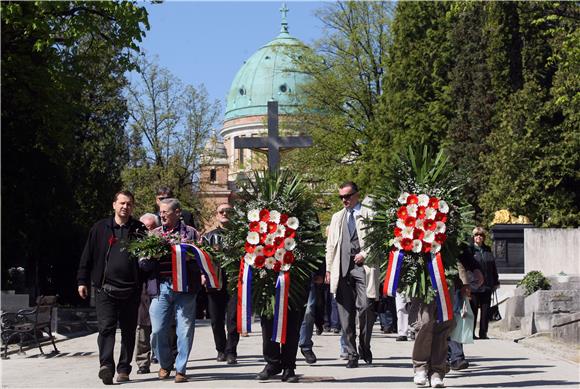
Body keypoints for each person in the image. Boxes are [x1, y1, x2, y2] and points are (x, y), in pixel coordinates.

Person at [77, 190, 147, 385]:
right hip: (105, 289)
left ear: (133, 207)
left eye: (129, 204)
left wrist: (146, 275)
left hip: (131, 290)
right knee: (106, 328)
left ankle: (124, 369)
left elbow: (148, 259)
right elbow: (87, 256)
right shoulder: (100, 228)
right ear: (114, 205)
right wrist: (82, 281)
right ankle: (106, 365)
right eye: (122, 203)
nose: (125, 207)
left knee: (128, 330)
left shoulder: (139, 230)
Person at [141, 198, 201, 383]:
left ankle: (181, 369)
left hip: (186, 289)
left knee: (184, 330)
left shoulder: (191, 233)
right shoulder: (154, 235)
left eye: (166, 211)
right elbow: (142, 264)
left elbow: (204, 259)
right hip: (161, 288)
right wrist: (152, 258)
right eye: (161, 211)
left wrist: (191, 258)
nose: (162, 215)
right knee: (157, 330)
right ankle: (165, 364)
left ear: (177, 212)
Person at [325, 181, 378, 368]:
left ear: (356, 195)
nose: (344, 200)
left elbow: (377, 240)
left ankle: (365, 345)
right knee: (345, 315)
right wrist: (329, 270)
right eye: (341, 197)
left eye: (347, 196)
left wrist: (365, 254)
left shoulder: (369, 213)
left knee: (365, 308)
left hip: (362, 268)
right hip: (341, 269)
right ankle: (351, 353)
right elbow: (330, 246)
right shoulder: (337, 217)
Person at [202, 203, 240, 365]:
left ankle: (231, 351)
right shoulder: (208, 237)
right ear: (217, 215)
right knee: (216, 319)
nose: (225, 213)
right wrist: (202, 275)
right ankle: (221, 349)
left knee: (232, 319)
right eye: (221, 211)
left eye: (228, 211)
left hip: (235, 281)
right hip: (214, 281)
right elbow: (201, 259)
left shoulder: (241, 236)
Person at [134, 213, 160, 375]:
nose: (147, 231)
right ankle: (143, 361)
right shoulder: (134, 245)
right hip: (142, 290)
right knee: (142, 326)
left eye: (150, 228)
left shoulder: (163, 243)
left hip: (159, 287)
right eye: (144, 228)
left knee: (162, 327)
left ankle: (164, 356)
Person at [468, 227, 500, 340]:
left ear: (483, 237)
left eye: (481, 235)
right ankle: (471, 333)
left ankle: (483, 332)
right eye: (476, 235)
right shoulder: (470, 250)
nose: (478, 237)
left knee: (485, 311)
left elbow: (493, 267)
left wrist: (496, 281)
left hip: (487, 284)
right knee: (473, 310)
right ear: (473, 237)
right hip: (474, 286)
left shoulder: (487, 250)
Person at [298, 262, 326, 364]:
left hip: (309, 275)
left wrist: (321, 273)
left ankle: (305, 346)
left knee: (309, 310)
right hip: (286, 274)